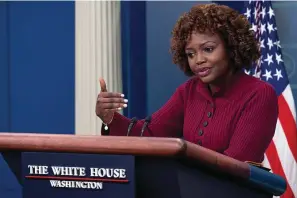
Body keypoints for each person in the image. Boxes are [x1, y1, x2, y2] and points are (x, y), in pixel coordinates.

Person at [95, 3, 278, 163]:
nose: (198, 60)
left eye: (208, 49)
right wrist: (109, 117)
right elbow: (150, 135)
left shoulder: (259, 94)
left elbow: (237, 163)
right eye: (191, 54)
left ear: (232, 47)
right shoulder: (189, 91)